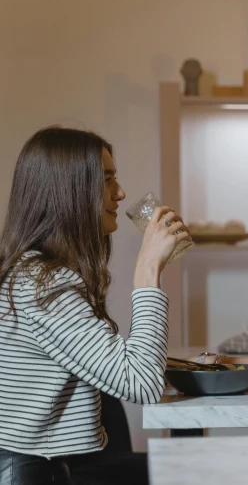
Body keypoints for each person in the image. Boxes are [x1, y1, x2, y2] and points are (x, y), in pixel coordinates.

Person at [0, 127, 190, 484]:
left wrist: (222, 370)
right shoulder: (43, 286)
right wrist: (148, 269)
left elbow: (115, 361)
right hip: (26, 472)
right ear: (69, 191)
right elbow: (141, 384)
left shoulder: (32, 274)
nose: (120, 193)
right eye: (106, 179)